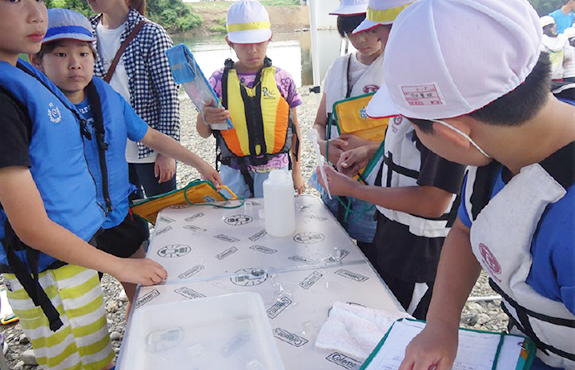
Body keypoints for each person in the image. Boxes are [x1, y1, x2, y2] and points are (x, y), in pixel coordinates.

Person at [359, 0, 575, 369]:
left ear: (453, 134)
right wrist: (441, 324)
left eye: (413, 126)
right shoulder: (499, 150)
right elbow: (465, 228)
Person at [0, 0, 167, 369]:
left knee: (97, 355)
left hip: (70, 259)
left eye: (38, 0)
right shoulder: (6, 100)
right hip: (44, 269)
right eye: (14, 0)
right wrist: (120, 266)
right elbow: (29, 226)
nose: (35, 13)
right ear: (42, 60)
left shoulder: (25, 82)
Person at [30, 8, 222, 312]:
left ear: (95, 58)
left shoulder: (109, 100)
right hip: (70, 229)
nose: (75, 64)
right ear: (36, 60)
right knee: (80, 310)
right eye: (61, 54)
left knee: (147, 290)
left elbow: (153, 137)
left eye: (83, 53)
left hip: (117, 214)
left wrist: (199, 163)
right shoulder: (33, 108)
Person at [316, 0, 466, 321]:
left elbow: (433, 201)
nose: (372, 39)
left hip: (418, 248)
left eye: (380, 32)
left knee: (407, 322)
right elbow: (403, 145)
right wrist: (369, 151)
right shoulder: (407, 82)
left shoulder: (438, 102)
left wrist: (354, 190)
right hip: (391, 234)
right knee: (381, 310)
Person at [196, 0, 304, 199]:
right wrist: (205, 117)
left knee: (276, 223)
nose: (252, 50)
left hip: (276, 172)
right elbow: (203, 133)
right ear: (230, 42)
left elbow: (295, 129)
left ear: (269, 38)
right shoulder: (217, 81)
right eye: (244, 44)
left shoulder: (284, 78)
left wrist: (296, 172)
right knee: (236, 225)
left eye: (258, 42)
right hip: (233, 172)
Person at [311, 0, 384, 263]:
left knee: (372, 255)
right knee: (331, 249)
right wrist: (322, 144)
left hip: (375, 185)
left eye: (369, 29)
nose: (362, 38)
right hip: (334, 178)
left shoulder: (397, 68)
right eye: (353, 31)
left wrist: (369, 148)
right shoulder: (338, 67)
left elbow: (411, 140)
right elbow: (320, 122)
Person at [88, 0, 180, 199]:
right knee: (127, 222)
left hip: (150, 149)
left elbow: (169, 97)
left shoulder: (152, 34)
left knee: (166, 215)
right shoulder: (86, 34)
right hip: (109, 151)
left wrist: (167, 152)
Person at [541, 15, 572, 82]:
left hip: (546, 75)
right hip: (559, 75)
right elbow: (568, 56)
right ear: (554, 26)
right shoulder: (563, 39)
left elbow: (542, 57)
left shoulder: (542, 39)